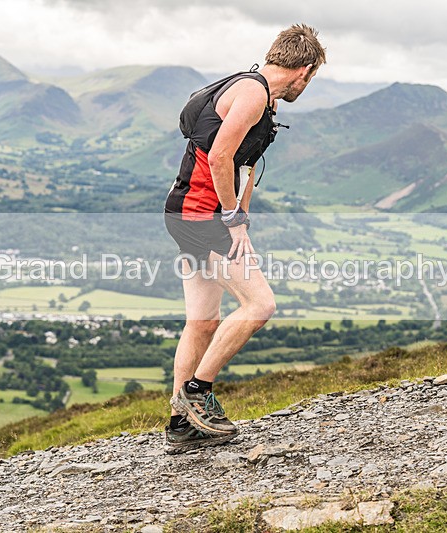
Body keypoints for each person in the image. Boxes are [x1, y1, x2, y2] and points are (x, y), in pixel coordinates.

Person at [163, 24, 326, 452]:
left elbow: (241, 164)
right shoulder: (253, 94)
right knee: (260, 304)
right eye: (311, 78)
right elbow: (219, 156)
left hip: (184, 212)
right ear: (304, 71)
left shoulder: (257, 94)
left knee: (202, 322)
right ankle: (197, 393)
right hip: (203, 216)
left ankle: (180, 425)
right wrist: (233, 219)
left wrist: (243, 216)